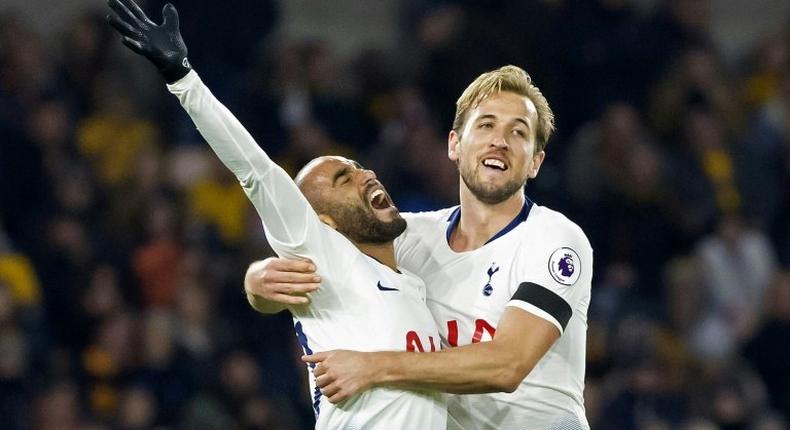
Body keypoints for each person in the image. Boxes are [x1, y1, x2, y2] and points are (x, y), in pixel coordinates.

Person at [105, 1, 447, 429]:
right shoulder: (325, 255)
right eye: (343, 178)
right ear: (323, 222)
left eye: (359, 168)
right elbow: (255, 170)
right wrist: (182, 77)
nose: (366, 176)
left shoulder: (417, 282)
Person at [247, 67, 593, 428]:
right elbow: (313, 259)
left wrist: (374, 366)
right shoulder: (406, 238)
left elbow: (508, 365)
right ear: (454, 145)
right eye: (486, 125)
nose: (500, 141)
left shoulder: (554, 240)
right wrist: (259, 284)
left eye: (518, 132)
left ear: (535, 162)